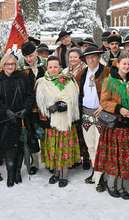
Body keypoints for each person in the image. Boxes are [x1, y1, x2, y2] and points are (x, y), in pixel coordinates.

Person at [95, 54, 129, 200]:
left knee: (124, 158)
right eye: (124, 64)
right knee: (114, 158)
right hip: (115, 125)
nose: (126, 66)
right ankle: (111, 184)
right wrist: (120, 109)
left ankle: (121, 186)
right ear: (118, 64)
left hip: (128, 125)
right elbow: (104, 101)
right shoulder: (109, 80)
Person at [36, 56, 81, 187]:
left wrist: (64, 104)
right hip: (52, 122)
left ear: (60, 67)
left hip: (65, 121)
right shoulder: (42, 82)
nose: (53, 69)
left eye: (56, 66)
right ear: (47, 68)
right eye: (50, 67)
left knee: (64, 148)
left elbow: (72, 98)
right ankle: (56, 172)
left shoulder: (68, 81)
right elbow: (41, 102)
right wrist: (50, 107)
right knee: (54, 148)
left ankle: (64, 174)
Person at [0, 54, 35, 187]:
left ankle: (17, 172)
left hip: (21, 117)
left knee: (21, 145)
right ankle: (10, 173)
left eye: (13, 64)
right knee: (9, 147)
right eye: (7, 64)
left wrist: (26, 109)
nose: (10, 66)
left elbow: (30, 95)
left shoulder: (23, 77)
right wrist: (5, 111)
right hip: (6, 119)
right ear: (3, 65)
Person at [76, 46, 110, 191]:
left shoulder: (107, 72)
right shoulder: (82, 73)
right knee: (90, 145)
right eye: (88, 57)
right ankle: (95, 171)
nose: (91, 59)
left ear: (98, 57)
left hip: (100, 113)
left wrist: (104, 105)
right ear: (85, 59)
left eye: (94, 56)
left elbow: (113, 92)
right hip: (86, 113)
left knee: (99, 146)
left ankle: (100, 177)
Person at [19, 41, 46, 175]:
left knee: (45, 134)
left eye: (31, 55)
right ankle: (35, 162)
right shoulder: (22, 70)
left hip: (45, 108)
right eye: (26, 57)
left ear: (36, 52)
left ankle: (48, 159)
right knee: (32, 136)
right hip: (29, 108)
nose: (29, 59)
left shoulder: (45, 66)